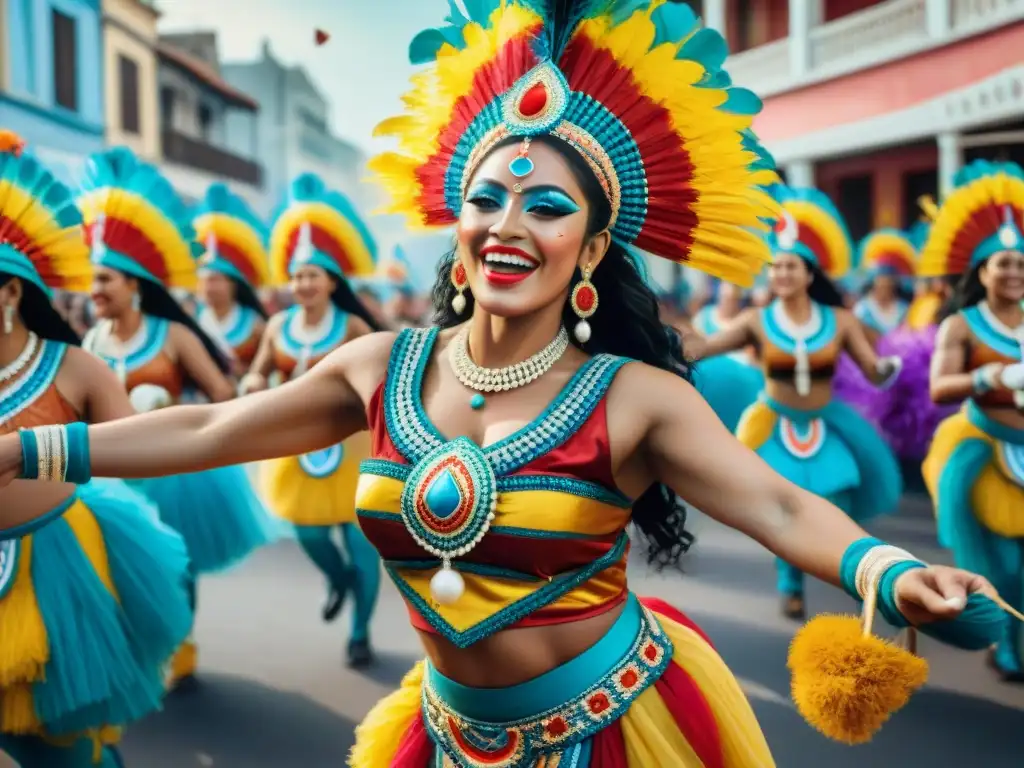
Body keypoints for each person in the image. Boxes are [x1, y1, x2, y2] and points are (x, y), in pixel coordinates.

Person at [0, 4, 998, 765]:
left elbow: (775, 500)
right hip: (441, 733)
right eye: (485, 197)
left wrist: (885, 571)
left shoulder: (632, 395)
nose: (506, 223)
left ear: (593, 244)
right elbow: (214, 426)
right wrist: (26, 447)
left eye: (547, 205)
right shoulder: (381, 366)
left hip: (617, 724)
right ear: (456, 224)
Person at [0, 132, 191, 766]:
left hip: (59, 565)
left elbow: (136, 455)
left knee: (57, 746)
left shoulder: (75, 368)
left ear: (10, 294)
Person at [77, 147, 272, 687]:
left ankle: (181, 642)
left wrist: (170, 410)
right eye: (92, 282)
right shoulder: (90, 341)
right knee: (121, 564)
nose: (94, 293)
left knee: (176, 562)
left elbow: (222, 391)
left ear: (134, 285)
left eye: (105, 282)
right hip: (114, 474)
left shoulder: (176, 336)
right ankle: (145, 643)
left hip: (174, 473)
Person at [699, 187, 904, 619]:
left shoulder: (842, 321)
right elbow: (706, 347)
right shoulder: (756, 320)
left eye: (791, 266)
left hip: (828, 425)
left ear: (809, 274)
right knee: (785, 510)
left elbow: (871, 368)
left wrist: (888, 369)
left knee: (840, 501)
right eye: (775, 267)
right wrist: (661, 341)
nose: (781, 274)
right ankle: (790, 583)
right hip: (774, 426)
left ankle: (850, 575)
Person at [242, 173, 383, 668]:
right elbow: (257, 372)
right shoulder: (278, 326)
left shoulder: (354, 327)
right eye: (297, 275)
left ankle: (360, 633)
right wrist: (255, 385)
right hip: (299, 447)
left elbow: (381, 380)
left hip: (351, 448)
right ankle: (338, 578)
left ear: (332, 281)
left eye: (313, 275)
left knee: (362, 544)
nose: (303, 284)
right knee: (310, 535)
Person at [920, 159, 1024, 682]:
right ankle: (1005, 643)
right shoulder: (962, 325)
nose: (1012, 271)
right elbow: (940, 388)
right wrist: (991, 377)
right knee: (1004, 564)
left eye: (1020, 263)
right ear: (981, 271)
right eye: (1002, 263)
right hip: (985, 451)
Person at [193, 183, 269, 378]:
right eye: (204, 281)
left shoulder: (255, 325)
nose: (209, 287)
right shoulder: (193, 322)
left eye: (216, 280)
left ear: (232, 284)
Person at [852, 228, 914, 344]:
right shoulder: (862, 310)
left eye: (889, 280)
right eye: (880, 280)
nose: (884, 284)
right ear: (873, 282)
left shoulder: (904, 310)